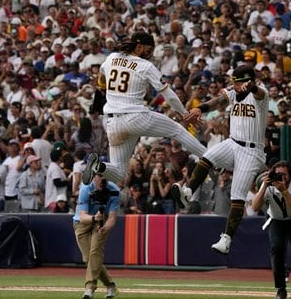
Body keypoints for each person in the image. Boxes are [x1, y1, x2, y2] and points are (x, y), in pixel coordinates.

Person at [82, 31, 206, 185]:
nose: (150, 54)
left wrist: (102, 86)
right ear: (139, 46)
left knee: (119, 173)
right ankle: (210, 158)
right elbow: (170, 95)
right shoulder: (145, 66)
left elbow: (101, 75)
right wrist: (184, 114)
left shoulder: (111, 58)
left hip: (113, 123)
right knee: (177, 129)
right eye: (148, 50)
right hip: (136, 117)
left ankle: (97, 166)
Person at [171, 65, 269, 254]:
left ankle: (227, 239)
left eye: (237, 82)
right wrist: (200, 108)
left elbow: (259, 94)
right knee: (207, 156)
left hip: (251, 151)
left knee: (237, 195)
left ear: (247, 81)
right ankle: (189, 191)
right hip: (233, 143)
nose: (234, 85)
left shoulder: (260, 92)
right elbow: (217, 101)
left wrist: (251, 87)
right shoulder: (234, 92)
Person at [251, 161, 291, 299]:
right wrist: (264, 186)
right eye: (277, 174)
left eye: (284, 174)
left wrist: (284, 191)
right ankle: (280, 288)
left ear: (290, 175)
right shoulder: (269, 185)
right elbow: (254, 207)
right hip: (277, 219)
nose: (280, 177)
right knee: (276, 248)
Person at [73, 173, 120, 299]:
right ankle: (110, 284)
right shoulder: (85, 189)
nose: (103, 179)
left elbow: (112, 218)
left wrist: (106, 226)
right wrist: (94, 218)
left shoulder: (114, 190)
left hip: (101, 222)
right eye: (99, 175)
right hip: (82, 222)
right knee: (88, 258)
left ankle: (90, 287)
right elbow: (83, 216)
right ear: (94, 177)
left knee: (95, 252)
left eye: (105, 176)